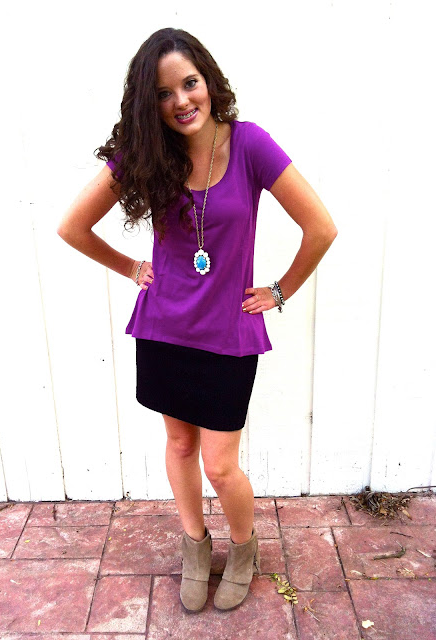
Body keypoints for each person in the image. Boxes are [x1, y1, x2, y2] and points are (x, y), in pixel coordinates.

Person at [57, 27, 337, 613]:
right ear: (149, 103)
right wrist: (131, 267)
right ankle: (194, 545)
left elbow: (321, 227)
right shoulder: (146, 154)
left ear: (208, 81)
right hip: (164, 328)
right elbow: (72, 226)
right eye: (164, 93)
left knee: (221, 465)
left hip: (229, 334)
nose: (181, 101)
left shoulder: (250, 144)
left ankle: (243, 548)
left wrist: (280, 290)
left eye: (189, 83)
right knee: (180, 444)